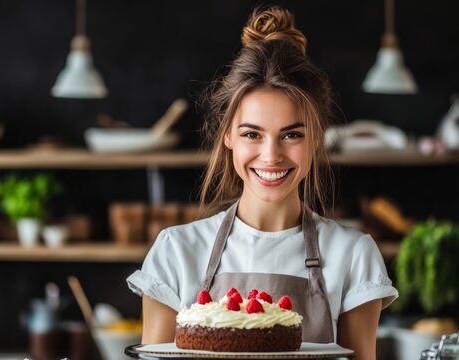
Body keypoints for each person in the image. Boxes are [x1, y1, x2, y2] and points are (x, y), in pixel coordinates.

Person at [127, 5, 398, 360]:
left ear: (316, 138)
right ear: (227, 136)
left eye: (292, 135)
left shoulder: (352, 255)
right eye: (252, 134)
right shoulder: (176, 253)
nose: (271, 156)